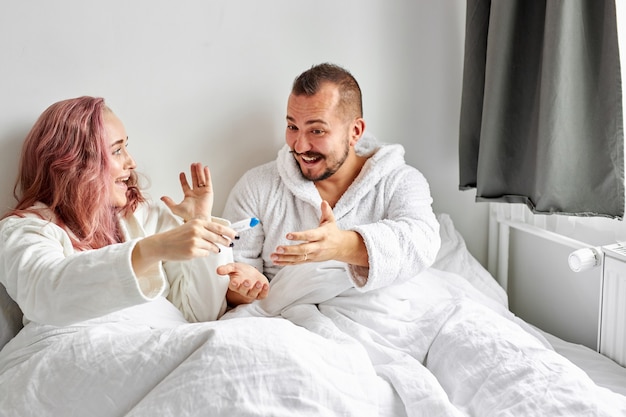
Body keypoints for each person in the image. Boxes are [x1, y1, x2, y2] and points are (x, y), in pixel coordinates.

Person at [0, 96, 269, 331]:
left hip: (158, 341)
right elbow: (46, 296)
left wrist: (199, 222)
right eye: (117, 150)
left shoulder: (143, 218)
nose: (132, 162)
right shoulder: (24, 230)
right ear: (74, 163)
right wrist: (149, 250)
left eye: (126, 147)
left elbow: (200, 315)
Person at [220, 63, 441, 291]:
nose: (300, 145)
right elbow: (233, 277)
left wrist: (341, 246)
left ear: (354, 132)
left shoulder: (399, 181)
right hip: (283, 315)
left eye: (317, 131)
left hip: (376, 312)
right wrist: (245, 289)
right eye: (292, 126)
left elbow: (422, 243)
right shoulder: (257, 186)